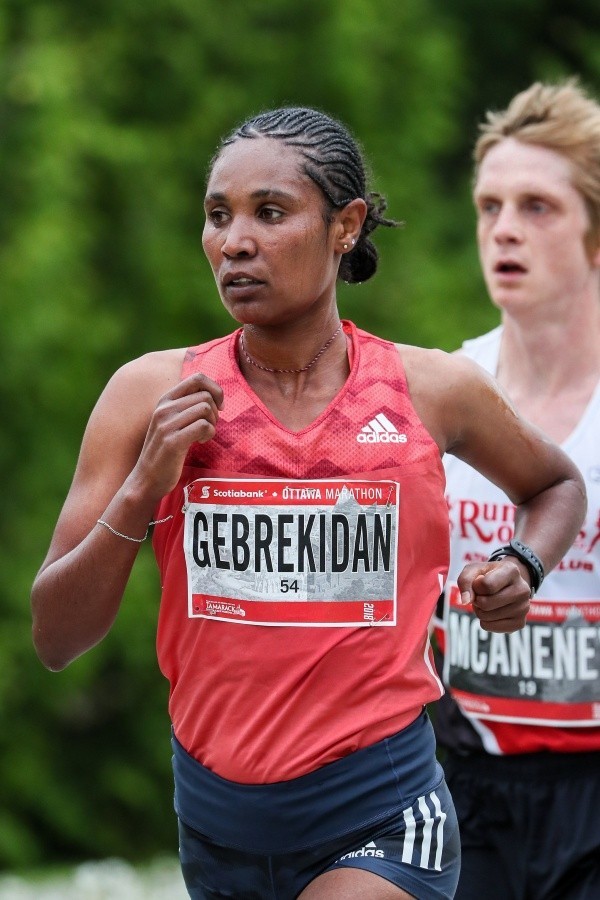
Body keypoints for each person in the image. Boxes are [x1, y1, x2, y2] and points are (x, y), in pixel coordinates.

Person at [31, 106, 586, 900]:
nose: (235, 241)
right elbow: (56, 637)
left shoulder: (433, 390)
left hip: (384, 813)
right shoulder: (147, 395)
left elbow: (556, 484)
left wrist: (523, 564)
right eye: (218, 215)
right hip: (218, 829)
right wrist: (145, 485)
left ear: (345, 226)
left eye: (270, 212)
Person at [432, 79, 600, 900]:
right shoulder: (446, 392)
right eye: (489, 206)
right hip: (468, 789)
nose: (503, 229)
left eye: (538, 207)